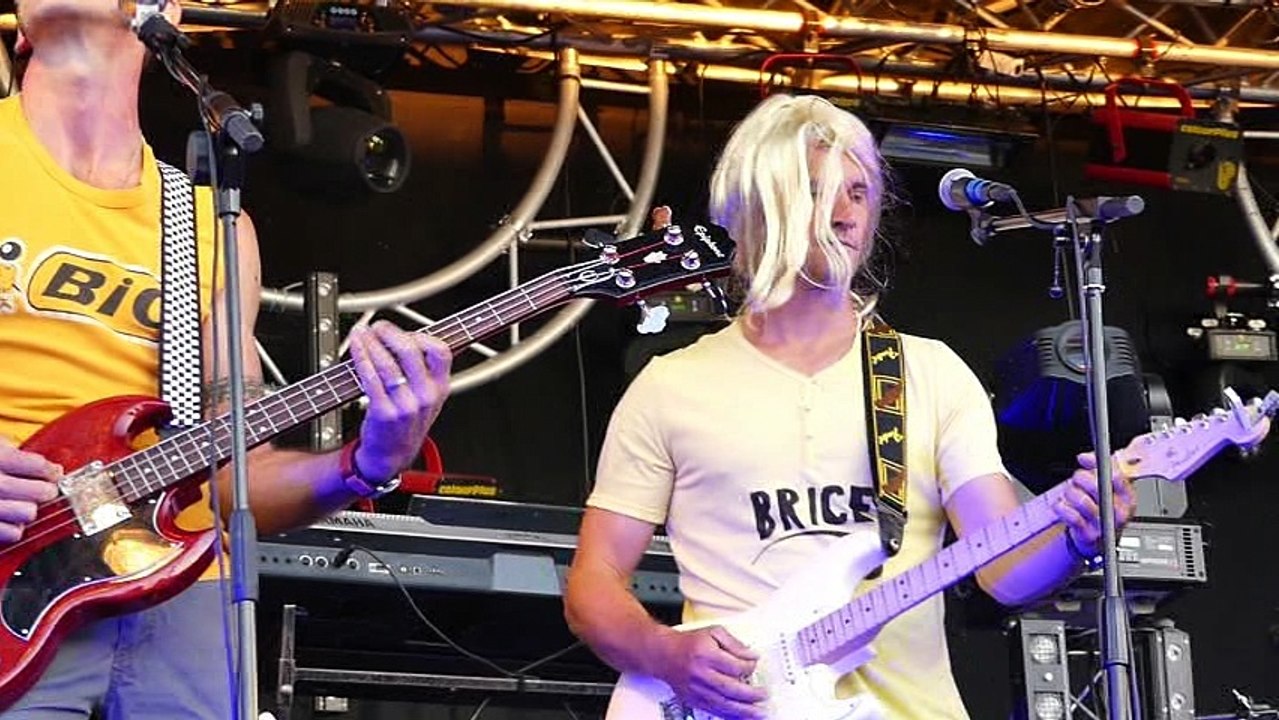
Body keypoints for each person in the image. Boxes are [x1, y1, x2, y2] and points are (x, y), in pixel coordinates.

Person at [564, 93, 1136, 719]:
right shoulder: (671, 386)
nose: (844, 216)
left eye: (859, 193)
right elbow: (593, 585)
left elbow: (1001, 569)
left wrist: (1079, 538)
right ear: (750, 209)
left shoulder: (929, 373)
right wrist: (666, 654)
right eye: (817, 192)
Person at [0, 0, 452, 717]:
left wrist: (368, 461)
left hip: (183, 592)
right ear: (20, 26)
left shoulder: (209, 225)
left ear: (164, 11)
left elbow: (235, 476)